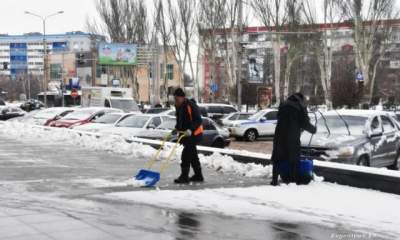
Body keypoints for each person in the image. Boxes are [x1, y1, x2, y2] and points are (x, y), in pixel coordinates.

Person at [270, 93, 316, 186]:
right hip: (292, 137)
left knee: (277, 157)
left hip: (279, 136)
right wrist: (313, 129)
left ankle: (274, 180)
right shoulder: (300, 106)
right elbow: (305, 123)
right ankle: (293, 182)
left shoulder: (283, 104)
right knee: (294, 159)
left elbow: (279, 117)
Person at [172, 88, 204, 184]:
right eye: (175, 99)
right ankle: (198, 176)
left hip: (195, 134)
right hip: (186, 135)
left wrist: (191, 129)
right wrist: (176, 128)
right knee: (193, 155)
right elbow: (180, 120)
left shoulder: (191, 105)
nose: (176, 101)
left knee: (185, 155)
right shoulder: (178, 106)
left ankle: (184, 177)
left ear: (182, 97)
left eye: (177, 99)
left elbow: (199, 120)